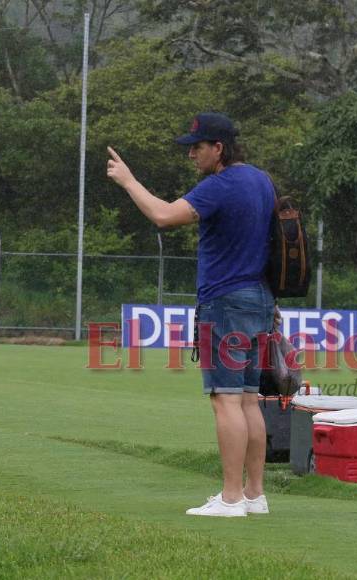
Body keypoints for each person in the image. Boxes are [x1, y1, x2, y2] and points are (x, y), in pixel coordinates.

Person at [106, 112, 275, 517]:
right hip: (261, 299)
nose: (191, 155)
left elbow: (164, 215)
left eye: (197, 147)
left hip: (226, 301)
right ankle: (255, 494)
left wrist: (129, 181)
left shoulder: (219, 186)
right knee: (250, 401)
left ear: (219, 148)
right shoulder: (261, 180)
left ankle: (231, 498)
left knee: (226, 401)